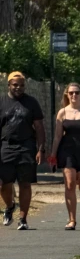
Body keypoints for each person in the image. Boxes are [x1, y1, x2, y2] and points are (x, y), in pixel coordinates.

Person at [49, 83, 80, 230]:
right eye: (71, 93)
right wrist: (53, 156)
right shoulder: (62, 113)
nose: (74, 95)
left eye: (76, 93)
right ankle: (72, 220)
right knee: (69, 185)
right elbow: (58, 137)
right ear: (67, 95)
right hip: (67, 152)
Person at [0, 72, 46, 230]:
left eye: (21, 85)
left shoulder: (31, 102)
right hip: (6, 147)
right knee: (5, 184)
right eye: (15, 85)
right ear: (9, 85)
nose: (19, 88)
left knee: (25, 184)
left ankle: (23, 218)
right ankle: (10, 206)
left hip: (26, 147)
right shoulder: (2, 101)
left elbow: (39, 127)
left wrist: (40, 149)